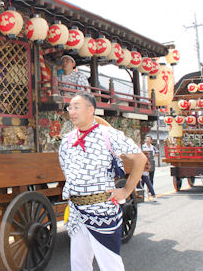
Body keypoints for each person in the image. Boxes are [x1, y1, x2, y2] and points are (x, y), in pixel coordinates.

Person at [59, 91, 146, 270]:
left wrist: (127, 190)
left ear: (91, 110)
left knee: (110, 264)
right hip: (76, 212)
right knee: (79, 264)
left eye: (77, 107)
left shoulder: (109, 135)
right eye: (70, 107)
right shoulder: (66, 140)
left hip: (102, 211)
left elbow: (140, 159)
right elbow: (66, 171)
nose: (72, 111)